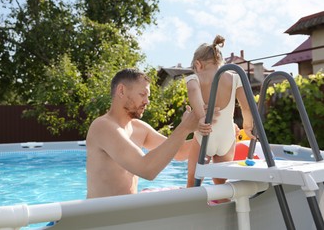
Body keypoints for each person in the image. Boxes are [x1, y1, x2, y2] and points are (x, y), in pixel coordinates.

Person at [86, 68, 212, 198]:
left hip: (127, 212)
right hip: (102, 215)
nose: (147, 101)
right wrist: (184, 127)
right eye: (142, 94)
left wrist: (208, 130)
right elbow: (147, 169)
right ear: (121, 91)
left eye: (148, 96)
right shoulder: (102, 126)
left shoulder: (139, 128)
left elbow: (180, 152)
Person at [185, 35, 254, 188]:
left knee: (193, 179)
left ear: (198, 64)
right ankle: (224, 205)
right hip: (227, 138)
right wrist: (247, 126)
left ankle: (192, 207)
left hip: (204, 134)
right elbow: (246, 106)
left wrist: (202, 117)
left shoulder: (196, 78)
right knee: (222, 183)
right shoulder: (235, 77)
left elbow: (192, 89)